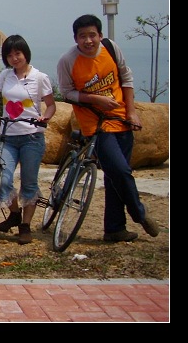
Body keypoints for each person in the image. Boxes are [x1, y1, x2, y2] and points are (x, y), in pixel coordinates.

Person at [56, 14, 160, 243]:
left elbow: (126, 78)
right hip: (96, 125)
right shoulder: (68, 61)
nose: (88, 40)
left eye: (92, 35)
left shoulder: (111, 48)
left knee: (117, 175)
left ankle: (114, 228)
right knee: (120, 171)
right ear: (75, 39)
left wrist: (131, 112)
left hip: (122, 119)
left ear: (100, 35)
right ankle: (139, 213)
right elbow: (67, 93)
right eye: (82, 36)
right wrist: (96, 100)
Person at [0, 34, 56, 244]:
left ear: (25, 53)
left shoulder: (39, 77)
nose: (14, 58)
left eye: (17, 53)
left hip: (32, 137)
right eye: (9, 55)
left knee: (29, 182)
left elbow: (51, 104)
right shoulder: (6, 76)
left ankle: (25, 226)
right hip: (7, 136)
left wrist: (46, 116)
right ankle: (15, 214)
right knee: (3, 179)